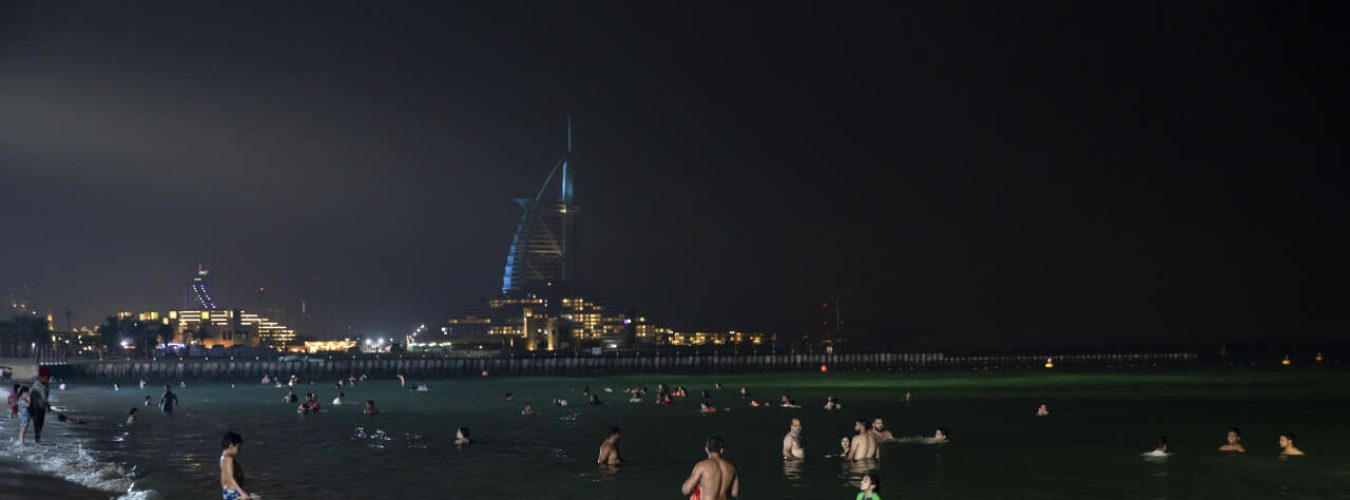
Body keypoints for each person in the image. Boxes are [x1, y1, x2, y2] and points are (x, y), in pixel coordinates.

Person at [681, 436, 739, 500]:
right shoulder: (732, 468)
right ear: (722, 450)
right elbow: (735, 493)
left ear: (706, 449)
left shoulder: (702, 466)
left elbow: (686, 490)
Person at [220, 431, 253, 500]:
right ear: (231, 446)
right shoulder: (229, 459)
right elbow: (231, 478)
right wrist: (242, 493)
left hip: (229, 492)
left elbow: (224, 476)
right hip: (234, 493)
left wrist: (225, 489)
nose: (239, 450)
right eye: (238, 447)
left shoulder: (223, 456)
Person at [30, 367, 52, 444]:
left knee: (41, 422)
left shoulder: (46, 384)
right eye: (46, 377)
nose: (47, 379)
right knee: (37, 423)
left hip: (42, 407)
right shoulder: (36, 387)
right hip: (35, 407)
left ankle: (38, 438)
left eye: (48, 377)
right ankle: (37, 439)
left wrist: (47, 405)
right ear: (40, 377)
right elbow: (34, 399)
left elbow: (45, 397)